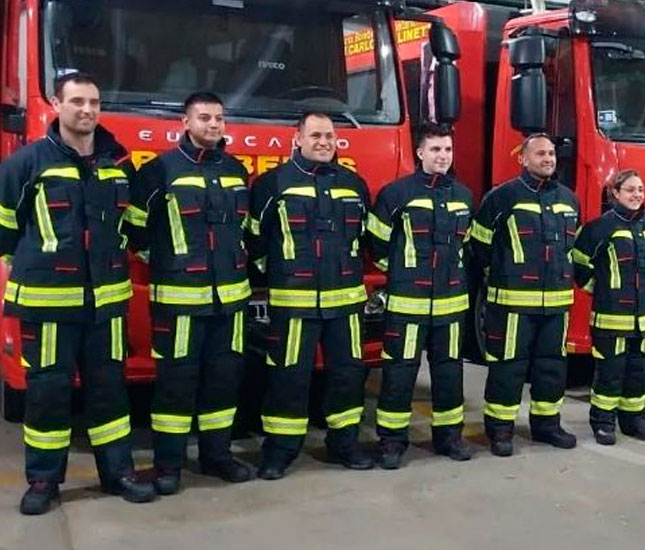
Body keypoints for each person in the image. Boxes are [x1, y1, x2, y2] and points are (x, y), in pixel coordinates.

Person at [0, 73, 155, 514]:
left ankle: (118, 473)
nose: (87, 110)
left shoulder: (118, 162)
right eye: (77, 101)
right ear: (56, 104)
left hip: (106, 304)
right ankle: (43, 480)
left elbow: (134, 225)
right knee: (47, 394)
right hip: (49, 304)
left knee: (110, 391)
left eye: (94, 102)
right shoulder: (25, 164)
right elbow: (5, 232)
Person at [130, 92, 253, 494]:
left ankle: (217, 456)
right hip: (179, 303)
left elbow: (247, 229)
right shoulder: (159, 171)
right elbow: (135, 229)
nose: (213, 125)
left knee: (223, 381)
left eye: (219, 118)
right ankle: (168, 465)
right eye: (204, 118)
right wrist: (168, 262)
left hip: (230, 303)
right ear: (185, 122)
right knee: (175, 386)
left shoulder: (236, 170)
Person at [247, 111, 374, 479]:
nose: (324, 142)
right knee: (288, 378)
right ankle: (280, 451)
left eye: (329, 136)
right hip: (293, 303)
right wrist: (280, 275)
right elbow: (255, 239)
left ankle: (345, 444)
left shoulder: (354, 184)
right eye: (316, 135)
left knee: (348, 376)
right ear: (298, 138)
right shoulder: (272, 184)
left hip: (346, 304)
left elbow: (366, 237)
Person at [368, 123, 474, 469]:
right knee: (399, 374)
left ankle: (449, 438)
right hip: (407, 304)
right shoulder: (396, 194)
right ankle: (392, 442)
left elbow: (467, 246)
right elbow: (376, 243)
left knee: (449, 373)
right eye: (435, 149)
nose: (442, 156)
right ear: (420, 153)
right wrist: (403, 274)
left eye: (447, 149)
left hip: (451, 304)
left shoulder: (463, 196)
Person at [470, 134, 580, 456]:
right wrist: (505, 275)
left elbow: (572, 247)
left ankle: (547, 425)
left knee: (552, 366)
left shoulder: (569, 199)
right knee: (508, 367)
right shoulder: (502, 198)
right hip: (512, 303)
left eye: (551, 154)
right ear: (523, 158)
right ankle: (500, 430)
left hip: (557, 304)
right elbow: (480, 245)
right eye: (540, 153)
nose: (548, 159)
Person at [571, 169, 645, 444]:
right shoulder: (599, 228)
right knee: (610, 373)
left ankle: (634, 420)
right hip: (611, 317)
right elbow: (579, 264)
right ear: (615, 193)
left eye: (640, 190)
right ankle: (603, 422)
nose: (636, 195)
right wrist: (601, 292)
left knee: (639, 373)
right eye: (630, 190)